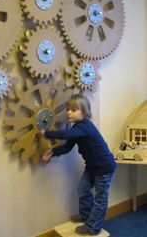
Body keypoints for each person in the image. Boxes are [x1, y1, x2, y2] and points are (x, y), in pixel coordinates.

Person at [41, 94, 116, 236]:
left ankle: (93, 227)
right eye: (68, 109)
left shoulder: (85, 126)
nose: (68, 112)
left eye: (73, 109)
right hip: (93, 167)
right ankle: (87, 216)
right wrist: (53, 152)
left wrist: (47, 134)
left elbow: (67, 135)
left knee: (100, 198)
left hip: (104, 167)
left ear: (84, 112)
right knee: (83, 190)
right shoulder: (77, 129)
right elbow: (67, 147)